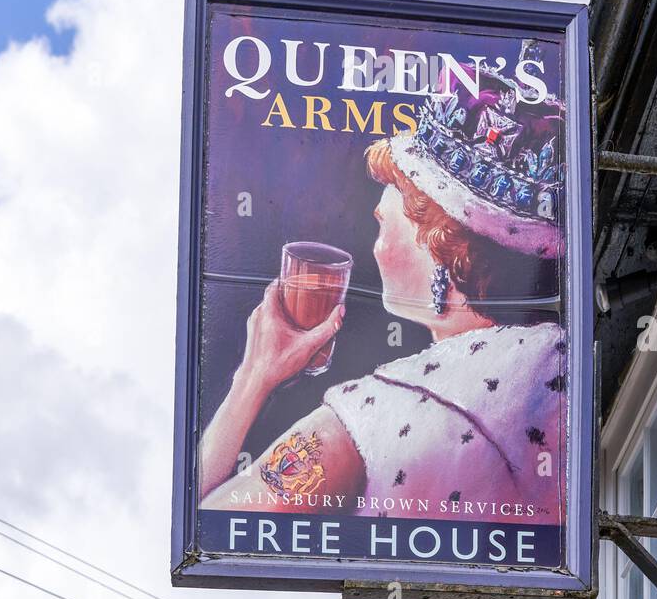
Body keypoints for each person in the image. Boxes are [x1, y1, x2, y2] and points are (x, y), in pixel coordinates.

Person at [200, 45, 567, 525]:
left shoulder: (380, 413)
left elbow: (207, 524)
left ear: (438, 242)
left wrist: (252, 379)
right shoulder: (562, 366)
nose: (372, 249)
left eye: (381, 225)